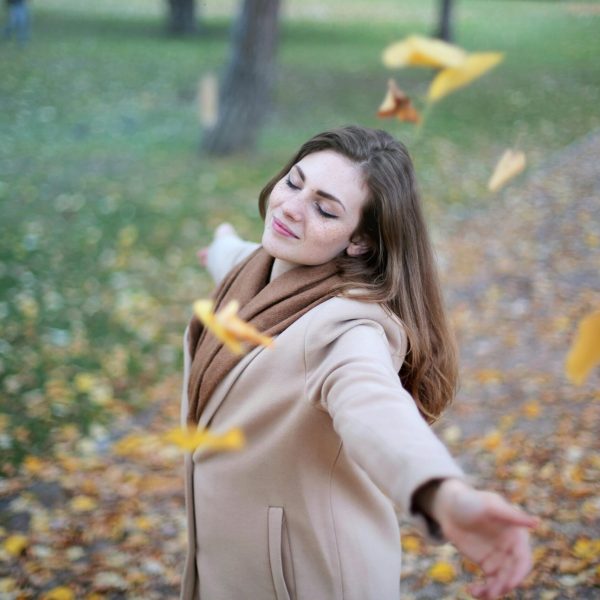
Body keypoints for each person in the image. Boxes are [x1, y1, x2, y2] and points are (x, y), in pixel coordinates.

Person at [180, 125, 538, 600]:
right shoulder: (256, 268)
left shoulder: (348, 329)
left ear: (360, 242)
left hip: (309, 579)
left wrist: (444, 495)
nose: (290, 207)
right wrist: (221, 245)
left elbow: (374, 405)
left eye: (325, 208)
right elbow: (237, 258)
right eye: (294, 182)